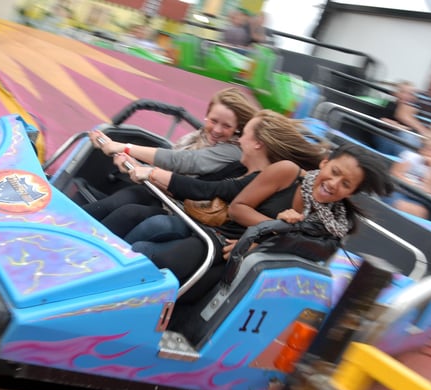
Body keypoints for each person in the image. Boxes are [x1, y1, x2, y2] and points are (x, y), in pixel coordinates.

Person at [131, 142, 393, 285]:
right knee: (154, 257)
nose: (335, 183)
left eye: (346, 184)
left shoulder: (336, 223)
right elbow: (238, 208)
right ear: (325, 163)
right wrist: (274, 226)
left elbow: (309, 251)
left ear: (350, 193)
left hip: (255, 262)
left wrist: (261, 245)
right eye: (335, 172)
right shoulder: (287, 172)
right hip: (225, 241)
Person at [122, 110, 330, 244]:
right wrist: (144, 172)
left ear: (257, 143)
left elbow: (207, 190)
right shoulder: (238, 167)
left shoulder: (261, 177)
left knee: (154, 225)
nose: (239, 139)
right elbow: (196, 187)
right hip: (195, 220)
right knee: (133, 207)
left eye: (245, 133)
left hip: (210, 235)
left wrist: (150, 171)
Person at [80, 87, 258, 230]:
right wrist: (135, 164)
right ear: (207, 115)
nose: (217, 130)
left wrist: (126, 148)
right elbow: (171, 170)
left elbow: (184, 162)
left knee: (129, 213)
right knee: (119, 199)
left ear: (237, 129)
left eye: (226, 126)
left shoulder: (233, 151)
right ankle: (66, 226)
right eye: (213, 121)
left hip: (188, 209)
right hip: (166, 194)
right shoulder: (198, 137)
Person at [375, 70, 431, 157]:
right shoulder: (417, 95)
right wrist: (424, 133)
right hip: (411, 135)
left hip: (427, 140)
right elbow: (402, 114)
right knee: (407, 137)